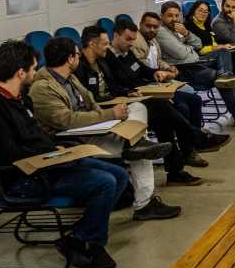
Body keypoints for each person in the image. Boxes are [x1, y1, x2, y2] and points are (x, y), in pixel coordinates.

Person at [0, 39, 130, 268]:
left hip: (46, 164)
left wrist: (60, 150)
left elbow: (36, 136)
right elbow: (8, 154)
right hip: (21, 179)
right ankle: (91, 242)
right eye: (33, 68)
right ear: (21, 73)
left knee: (120, 175)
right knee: (104, 182)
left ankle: (78, 236)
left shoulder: (19, 98)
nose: (36, 72)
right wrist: (52, 154)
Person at [28, 37, 181, 222]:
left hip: (92, 127)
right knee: (140, 151)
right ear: (70, 58)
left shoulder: (70, 77)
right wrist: (110, 115)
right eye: (77, 55)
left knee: (138, 109)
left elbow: (91, 102)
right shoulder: (42, 87)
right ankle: (144, 203)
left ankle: (135, 142)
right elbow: (66, 120)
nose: (79, 58)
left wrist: (109, 117)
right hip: (71, 138)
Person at [75, 23, 206, 185]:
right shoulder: (80, 67)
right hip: (104, 109)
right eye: (104, 43)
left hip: (118, 101)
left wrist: (126, 93)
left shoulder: (102, 60)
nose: (107, 47)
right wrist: (122, 96)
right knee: (159, 107)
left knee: (163, 117)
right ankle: (196, 137)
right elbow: (89, 99)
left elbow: (114, 85)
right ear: (92, 44)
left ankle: (176, 171)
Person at [104, 18, 231, 156]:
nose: (131, 43)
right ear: (116, 36)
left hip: (149, 90)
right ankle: (194, 144)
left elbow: (143, 69)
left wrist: (156, 72)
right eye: (128, 39)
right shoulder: (108, 58)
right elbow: (117, 84)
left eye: (133, 40)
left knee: (194, 100)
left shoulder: (127, 52)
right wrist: (132, 91)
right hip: (135, 97)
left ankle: (193, 146)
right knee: (176, 109)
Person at [157, 1, 235, 128]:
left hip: (194, 63)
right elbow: (182, 54)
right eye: (170, 15)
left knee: (224, 55)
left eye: (176, 15)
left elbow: (198, 44)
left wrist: (186, 34)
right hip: (183, 69)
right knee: (225, 79)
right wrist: (190, 48)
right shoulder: (162, 32)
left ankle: (228, 78)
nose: (174, 19)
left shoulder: (178, 29)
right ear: (162, 16)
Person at [184, 0, 235, 112]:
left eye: (206, 11)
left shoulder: (206, 25)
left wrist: (221, 46)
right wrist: (218, 47)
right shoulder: (189, 26)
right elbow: (198, 49)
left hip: (218, 54)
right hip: (203, 59)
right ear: (193, 11)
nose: (203, 13)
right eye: (200, 11)